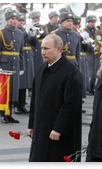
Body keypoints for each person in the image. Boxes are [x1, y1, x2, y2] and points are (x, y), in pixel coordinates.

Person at [28, 34, 83, 162]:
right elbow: (35, 100)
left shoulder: (71, 72)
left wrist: (59, 128)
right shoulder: (42, 69)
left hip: (59, 133)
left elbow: (70, 104)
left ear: (59, 49)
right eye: (42, 48)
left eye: (47, 49)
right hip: (41, 127)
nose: (42, 52)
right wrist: (32, 124)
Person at [0, 9, 24, 123]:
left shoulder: (20, 33)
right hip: (5, 66)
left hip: (15, 65)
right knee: (4, 91)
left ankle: (9, 114)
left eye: (16, 19)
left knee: (13, 91)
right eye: (12, 19)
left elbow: (21, 52)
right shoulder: (0, 33)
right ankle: (2, 115)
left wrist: (22, 66)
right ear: (7, 20)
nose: (14, 21)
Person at [14, 12, 35, 114]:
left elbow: (34, 43)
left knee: (26, 82)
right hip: (20, 57)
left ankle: (22, 104)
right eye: (19, 21)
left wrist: (33, 35)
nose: (21, 23)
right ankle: (16, 104)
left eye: (23, 21)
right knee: (19, 82)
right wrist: (26, 33)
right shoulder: (16, 32)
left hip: (28, 56)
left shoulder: (23, 31)